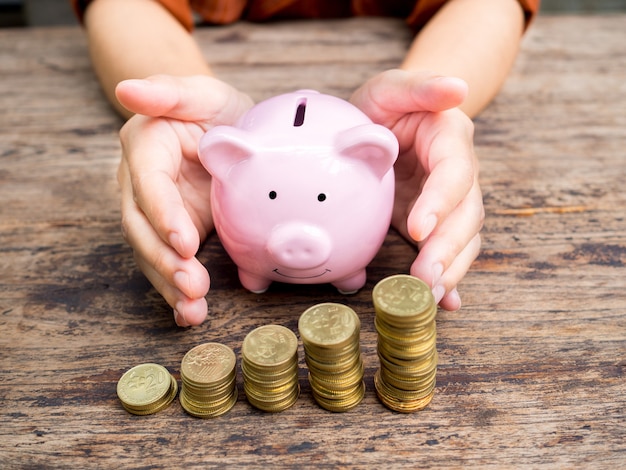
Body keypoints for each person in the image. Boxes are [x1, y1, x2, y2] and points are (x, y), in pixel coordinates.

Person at [71, 0, 540, 327]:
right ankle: (258, 275)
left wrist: (424, 104)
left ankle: (347, 275)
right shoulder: (227, 155)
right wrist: (174, 99)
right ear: (225, 160)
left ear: (376, 158)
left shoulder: (371, 154)